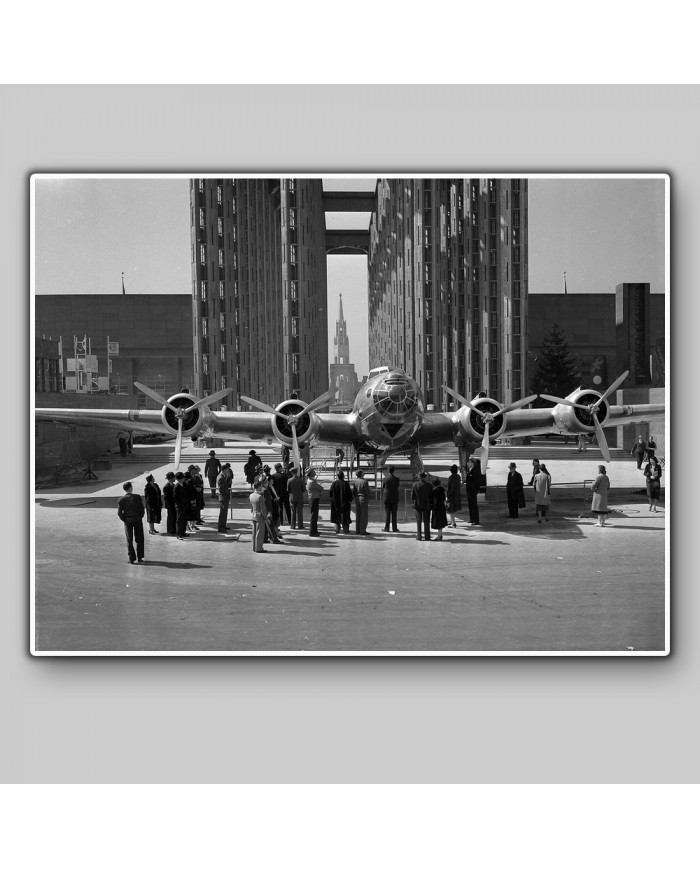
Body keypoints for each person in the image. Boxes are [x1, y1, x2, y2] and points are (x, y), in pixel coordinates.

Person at [117, 481, 145, 563]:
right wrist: (140, 516)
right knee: (139, 538)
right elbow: (142, 508)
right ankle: (140, 557)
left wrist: (124, 520)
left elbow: (119, 513)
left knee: (129, 539)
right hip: (137, 519)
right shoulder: (137, 497)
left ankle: (131, 558)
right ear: (130, 488)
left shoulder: (121, 500)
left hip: (128, 521)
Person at [411, 471, 433, 540]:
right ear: (425, 477)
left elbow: (412, 496)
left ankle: (419, 536)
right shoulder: (429, 486)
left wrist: (414, 501)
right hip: (427, 505)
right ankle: (427, 536)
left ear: (419, 477)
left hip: (417, 504)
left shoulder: (414, 485)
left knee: (418, 521)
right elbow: (431, 496)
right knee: (426, 521)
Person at [249, 476, 268, 553]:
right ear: (259, 486)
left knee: (254, 533)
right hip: (260, 516)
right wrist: (266, 518)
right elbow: (263, 510)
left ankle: (254, 547)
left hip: (253, 515)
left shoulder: (251, 495)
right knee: (260, 533)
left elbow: (251, 506)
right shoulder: (260, 497)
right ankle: (259, 548)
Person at [382, 465, 401, 532]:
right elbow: (397, 486)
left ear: (388, 471)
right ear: (394, 470)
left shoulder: (385, 479)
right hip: (394, 498)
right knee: (394, 514)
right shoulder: (397, 479)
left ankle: (386, 528)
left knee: (387, 513)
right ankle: (394, 528)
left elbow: (383, 487)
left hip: (387, 497)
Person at [352, 469, 370, 535]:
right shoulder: (365, 481)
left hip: (357, 498)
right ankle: (362, 530)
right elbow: (367, 491)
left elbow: (353, 491)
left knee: (358, 514)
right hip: (363, 498)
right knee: (363, 515)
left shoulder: (355, 481)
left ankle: (358, 530)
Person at [306, 468, 324, 537]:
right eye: (313, 471)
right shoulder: (312, 482)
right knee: (314, 516)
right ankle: (312, 532)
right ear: (310, 474)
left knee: (315, 516)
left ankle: (314, 530)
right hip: (314, 499)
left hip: (313, 498)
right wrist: (320, 486)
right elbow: (321, 488)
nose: (314, 472)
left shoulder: (311, 480)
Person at [216, 463, 233, 532]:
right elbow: (221, 489)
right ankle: (221, 527)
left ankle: (223, 525)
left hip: (225, 497)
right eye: (227, 470)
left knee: (225, 513)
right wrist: (228, 493)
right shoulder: (221, 477)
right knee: (223, 513)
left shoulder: (223, 476)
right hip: (223, 497)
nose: (228, 471)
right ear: (224, 470)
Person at [464, 457, 481, 525]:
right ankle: (472, 519)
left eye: (469, 462)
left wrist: (475, 490)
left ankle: (476, 520)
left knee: (474, 505)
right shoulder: (470, 470)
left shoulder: (475, 471)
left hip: (473, 491)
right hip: (469, 491)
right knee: (470, 505)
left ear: (473, 463)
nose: (468, 463)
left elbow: (477, 481)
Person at [173, 471, 190, 540]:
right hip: (180, 506)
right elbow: (175, 498)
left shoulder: (183, 484)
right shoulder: (176, 487)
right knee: (180, 521)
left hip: (185, 505)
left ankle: (183, 532)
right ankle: (179, 534)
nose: (184, 479)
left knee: (184, 520)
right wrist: (180, 505)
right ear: (180, 478)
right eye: (182, 477)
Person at [162, 471, 177, 536]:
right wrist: (170, 505)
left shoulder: (173, 485)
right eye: (173, 478)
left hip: (174, 505)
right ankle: (170, 530)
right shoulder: (166, 487)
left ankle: (173, 530)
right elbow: (166, 498)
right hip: (170, 505)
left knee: (174, 517)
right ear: (170, 478)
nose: (174, 479)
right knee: (171, 518)